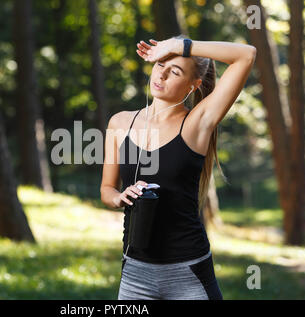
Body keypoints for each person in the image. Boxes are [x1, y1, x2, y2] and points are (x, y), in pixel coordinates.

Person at [100, 35, 256, 300]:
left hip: (188, 274)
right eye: (160, 63)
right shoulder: (120, 123)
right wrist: (119, 197)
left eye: (175, 71)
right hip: (135, 274)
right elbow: (106, 188)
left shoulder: (197, 124)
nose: (162, 74)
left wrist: (181, 46)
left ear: (193, 85)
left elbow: (247, 55)